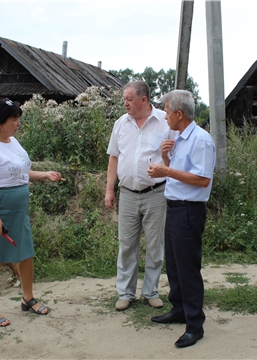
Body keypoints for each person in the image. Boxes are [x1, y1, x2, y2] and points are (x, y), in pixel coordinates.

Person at [0, 97, 66, 327]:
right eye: (14, 119)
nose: (18, 123)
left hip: (18, 209)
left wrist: (44, 174)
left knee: (25, 253)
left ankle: (27, 298)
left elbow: (20, 173)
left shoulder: (12, 141)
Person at [147, 89, 216, 348]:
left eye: (166, 111)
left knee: (187, 268)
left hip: (189, 209)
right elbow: (181, 172)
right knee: (174, 264)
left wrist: (166, 169)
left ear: (179, 113)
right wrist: (166, 158)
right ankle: (179, 309)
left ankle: (195, 325)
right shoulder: (179, 138)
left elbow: (202, 179)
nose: (164, 116)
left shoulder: (201, 140)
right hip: (174, 206)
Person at [105, 81, 177, 311]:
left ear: (143, 99)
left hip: (156, 194)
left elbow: (174, 157)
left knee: (155, 246)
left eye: (128, 99)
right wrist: (109, 189)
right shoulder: (120, 124)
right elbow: (113, 158)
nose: (124, 103)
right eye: (124, 99)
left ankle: (150, 291)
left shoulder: (164, 123)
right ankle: (125, 293)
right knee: (126, 245)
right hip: (127, 194)